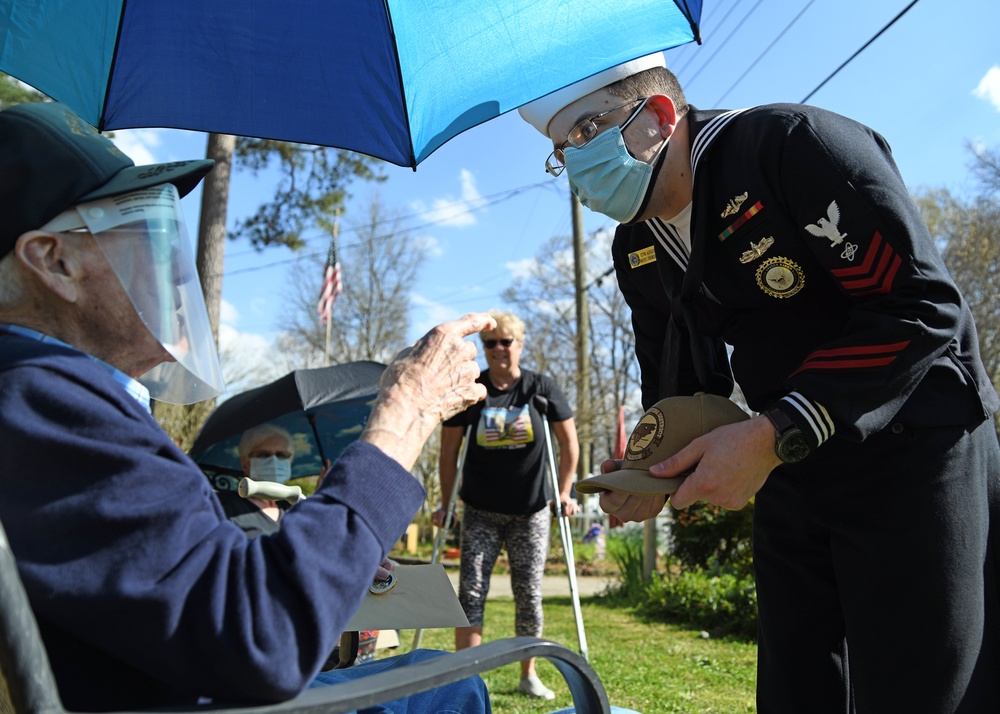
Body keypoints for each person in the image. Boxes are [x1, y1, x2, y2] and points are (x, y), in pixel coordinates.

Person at [517, 53, 1000, 712]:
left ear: (657, 118)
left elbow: (921, 307)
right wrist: (651, 471)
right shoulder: (638, 249)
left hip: (916, 449)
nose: (573, 163)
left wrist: (776, 433)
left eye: (583, 133)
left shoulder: (790, 148)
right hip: (790, 463)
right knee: (796, 688)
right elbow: (680, 385)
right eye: (559, 151)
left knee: (920, 689)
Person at [0, 101, 494, 713]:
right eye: (138, 234)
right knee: (449, 683)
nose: (165, 264)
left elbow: (181, 583)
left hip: (176, 680)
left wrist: (329, 549)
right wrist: (404, 414)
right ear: (55, 262)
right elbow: (263, 635)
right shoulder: (39, 400)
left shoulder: (46, 398)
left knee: (435, 670)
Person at [432, 310, 580, 701]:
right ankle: (464, 677)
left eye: (505, 342)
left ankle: (527, 674)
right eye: (490, 343)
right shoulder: (473, 388)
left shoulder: (540, 387)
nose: (498, 350)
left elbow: (569, 444)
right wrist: (445, 504)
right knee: (471, 593)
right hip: (480, 507)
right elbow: (449, 453)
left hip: (530, 510)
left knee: (528, 593)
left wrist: (564, 492)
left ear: (520, 344)